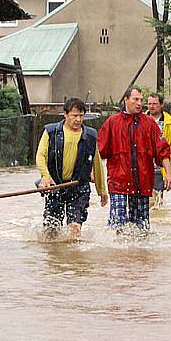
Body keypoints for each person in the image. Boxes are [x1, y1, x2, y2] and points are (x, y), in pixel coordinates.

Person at [97, 87, 171, 232]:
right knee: (117, 227)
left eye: (141, 100)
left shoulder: (150, 124)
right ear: (126, 100)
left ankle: (140, 255)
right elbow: (98, 152)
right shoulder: (112, 123)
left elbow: (162, 150)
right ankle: (117, 254)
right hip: (118, 183)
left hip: (142, 183)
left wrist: (168, 173)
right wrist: (93, 173)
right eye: (135, 99)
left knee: (142, 229)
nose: (139, 103)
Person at [36, 98, 108, 237]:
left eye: (81, 116)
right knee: (51, 231)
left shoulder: (90, 136)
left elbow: (97, 164)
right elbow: (40, 156)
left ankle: (74, 258)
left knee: (75, 227)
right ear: (65, 115)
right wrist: (45, 176)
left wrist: (102, 190)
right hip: (55, 186)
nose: (78, 119)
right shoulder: (51, 132)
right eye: (74, 115)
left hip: (79, 187)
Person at [146, 92, 171, 206]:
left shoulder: (169, 122)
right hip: (144, 165)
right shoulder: (141, 119)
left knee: (157, 200)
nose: (151, 106)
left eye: (154, 104)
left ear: (161, 104)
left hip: (160, 167)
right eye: (149, 103)